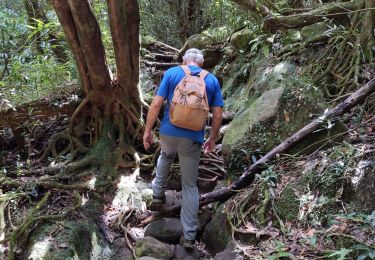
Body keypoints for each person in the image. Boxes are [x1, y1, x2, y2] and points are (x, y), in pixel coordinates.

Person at [143, 48, 224, 249]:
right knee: (189, 185)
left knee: (165, 155)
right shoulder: (211, 80)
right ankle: (189, 236)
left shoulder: (172, 73)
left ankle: (157, 196)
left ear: (184, 60)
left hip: (169, 132)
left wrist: (147, 131)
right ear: (201, 63)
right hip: (193, 137)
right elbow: (218, 114)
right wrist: (212, 138)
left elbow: (156, 104)